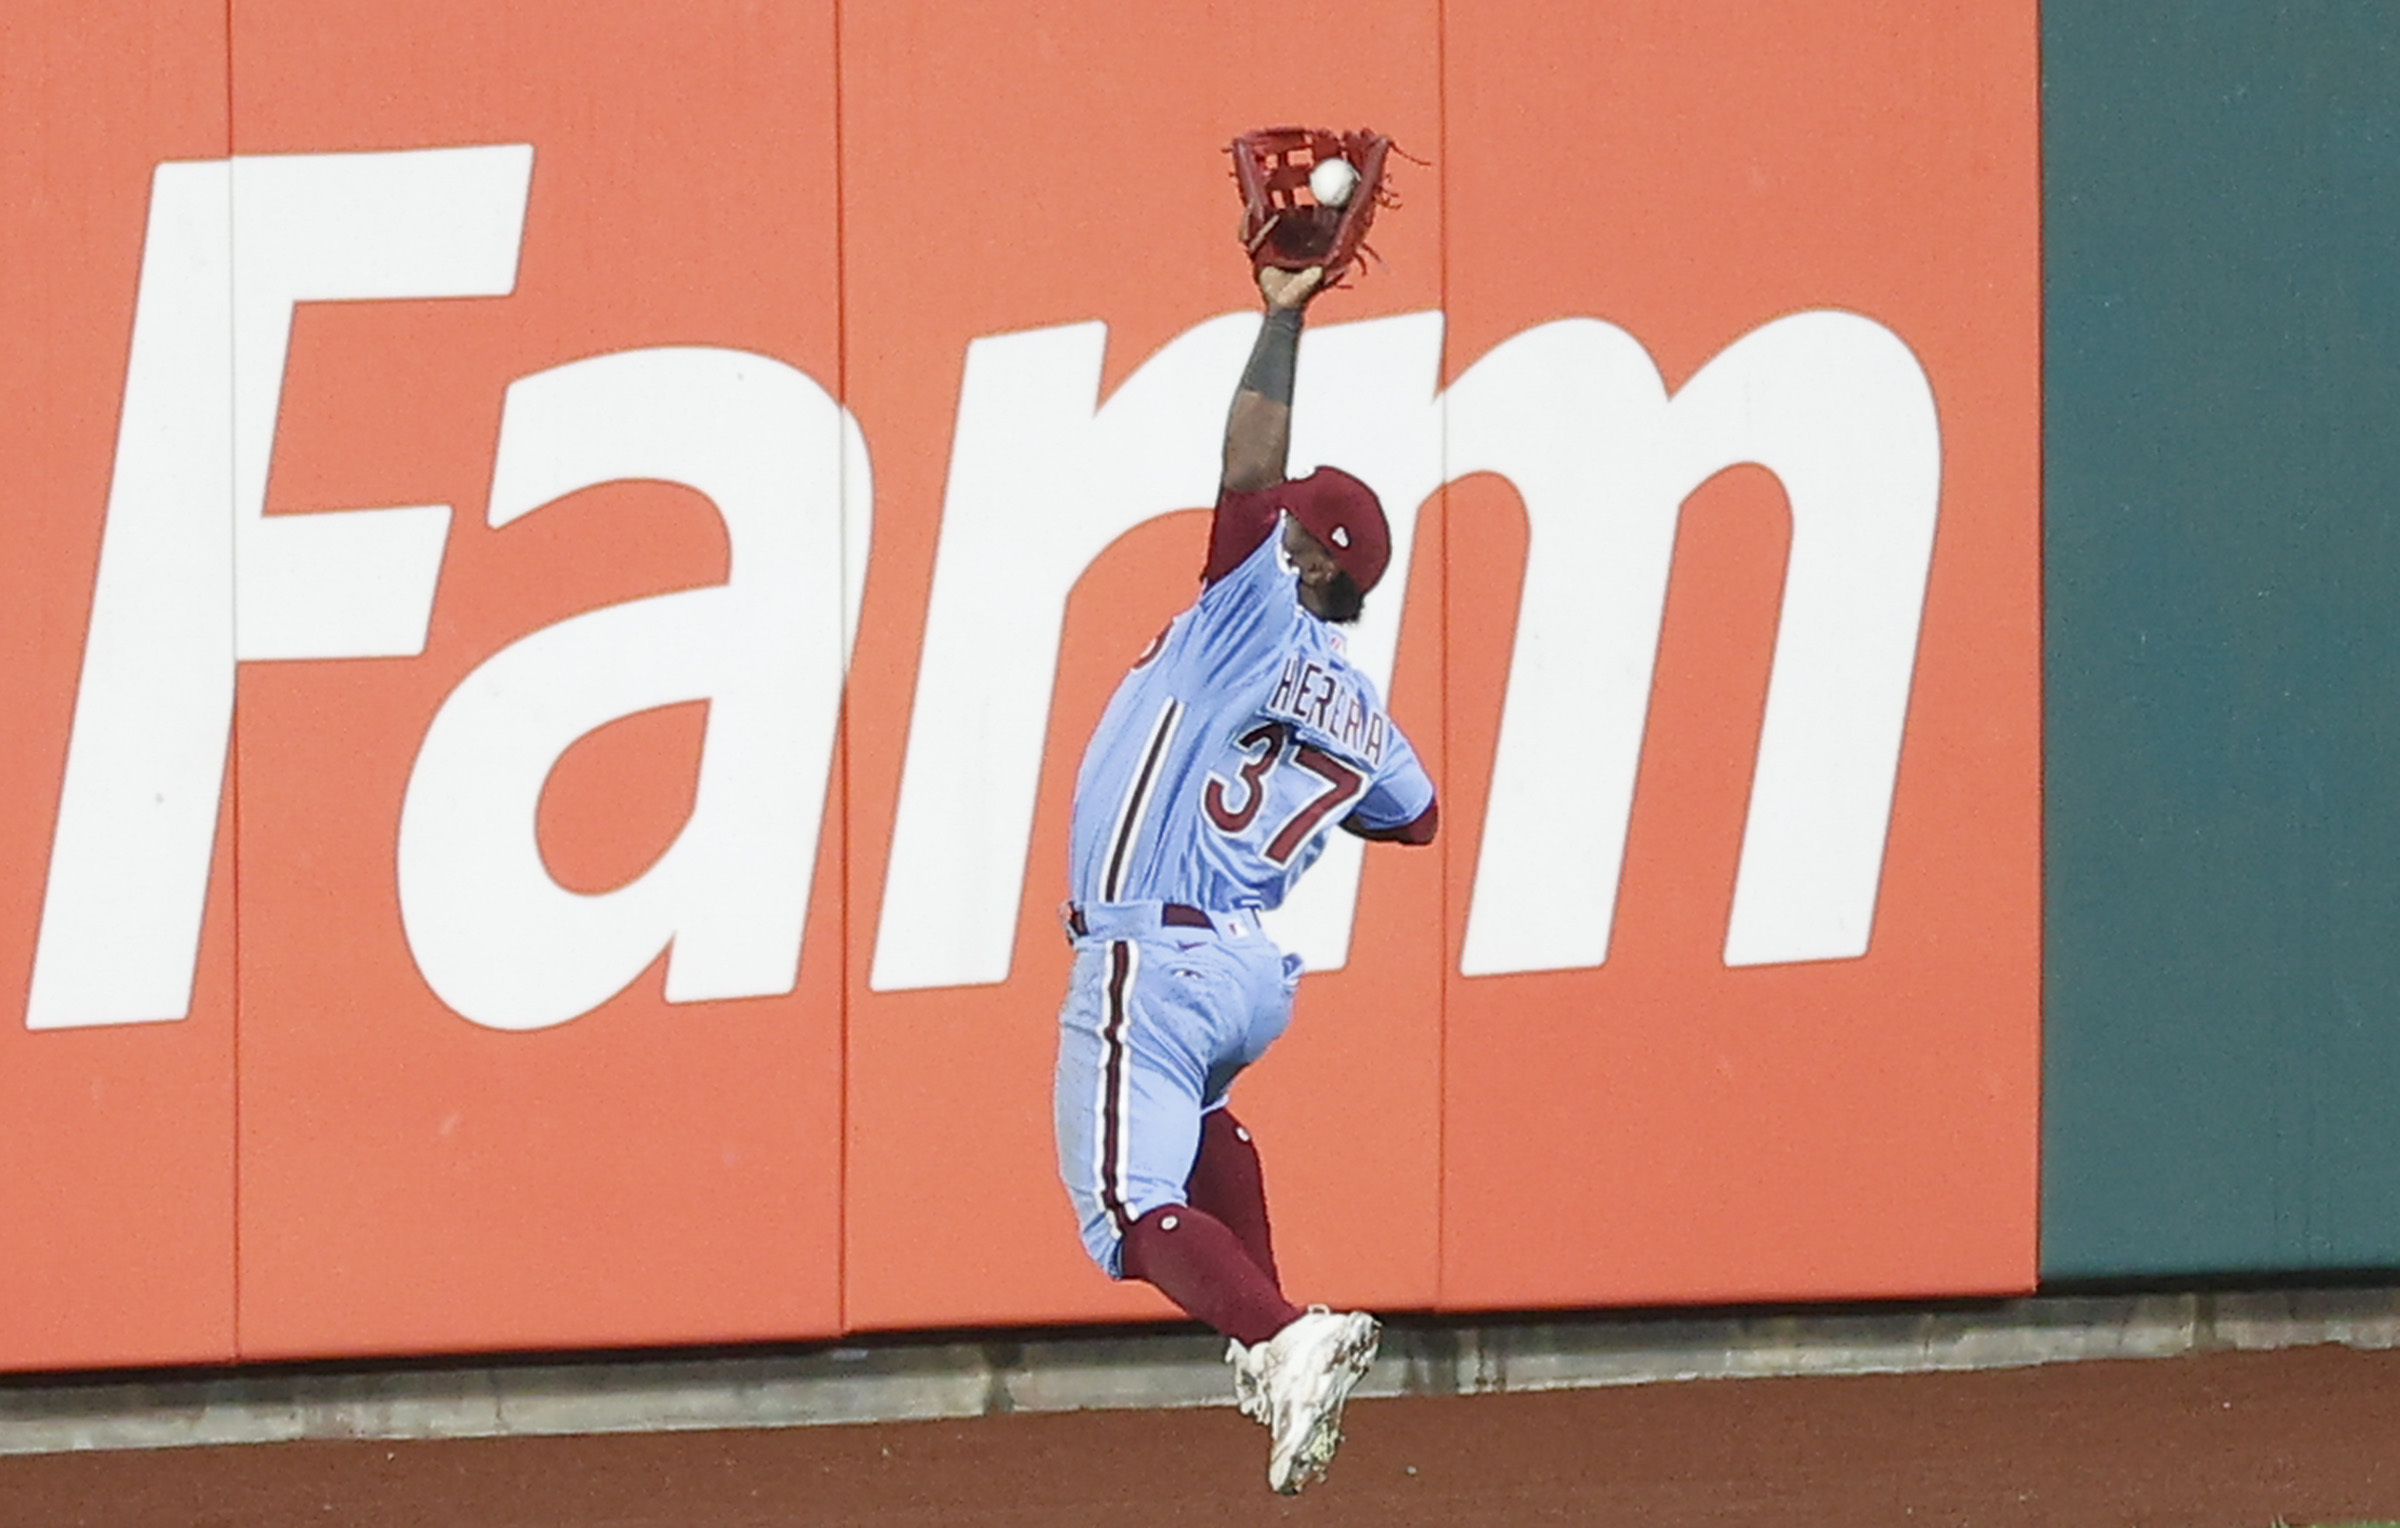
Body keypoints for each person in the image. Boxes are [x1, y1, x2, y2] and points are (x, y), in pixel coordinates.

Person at [1051, 260, 1439, 1495]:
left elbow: (1247, 461)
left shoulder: (1247, 611)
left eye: (1287, 526)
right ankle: (1269, 1334)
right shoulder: (1362, 705)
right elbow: (1418, 818)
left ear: (1300, 554)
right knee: (1201, 1117)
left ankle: (1280, 1335)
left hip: (1151, 948)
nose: (1268, 524)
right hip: (1243, 972)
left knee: (1122, 1205)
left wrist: (1283, 313)